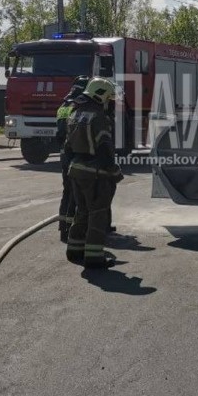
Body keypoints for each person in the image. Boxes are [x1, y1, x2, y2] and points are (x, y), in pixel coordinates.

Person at [64, 77, 124, 269]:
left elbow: (67, 146)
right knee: (98, 213)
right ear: (101, 96)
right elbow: (105, 148)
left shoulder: (75, 113)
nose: (110, 103)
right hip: (94, 173)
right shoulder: (99, 117)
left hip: (75, 169)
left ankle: (74, 249)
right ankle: (94, 256)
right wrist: (112, 171)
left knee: (81, 212)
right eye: (108, 98)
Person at [55, 76, 89, 242]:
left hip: (63, 153)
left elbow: (60, 131)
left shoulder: (63, 105)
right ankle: (73, 227)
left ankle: (63, 227)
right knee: (77, 193)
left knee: (66, 191)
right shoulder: (78, 106)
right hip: (75, 153)